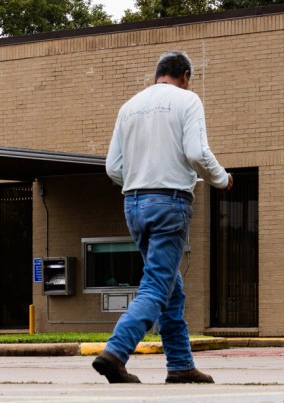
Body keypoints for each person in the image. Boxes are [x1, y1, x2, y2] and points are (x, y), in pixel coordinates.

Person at [94, 50, 232, 384]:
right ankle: (116, 352)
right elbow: (197, 153)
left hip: (133, 204)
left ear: (158, 74)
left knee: (171, 286)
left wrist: (140, 179)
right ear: (184, 75)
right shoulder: (187, 101)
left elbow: (113, 167)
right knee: (157, 284)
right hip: (169, 202)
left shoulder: (128, 107)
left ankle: (181, 365)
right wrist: (221, 178)